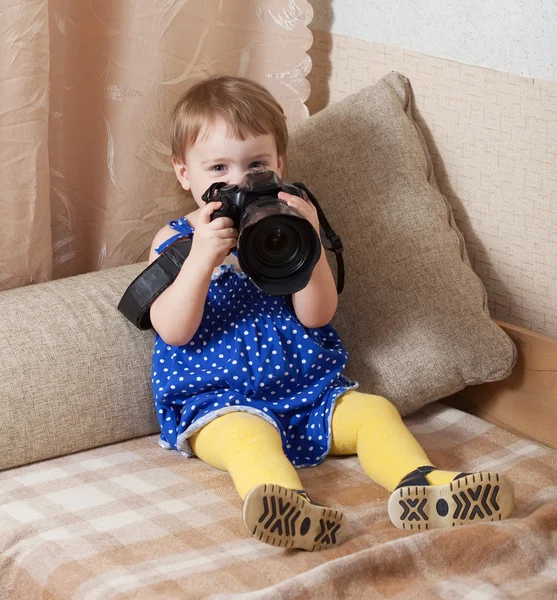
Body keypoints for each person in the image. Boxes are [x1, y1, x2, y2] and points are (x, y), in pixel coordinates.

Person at [148, 76, 514, 551]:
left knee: (375, 411)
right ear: (185, 173)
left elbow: (317, 315)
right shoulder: (174, 240)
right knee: (248, 439)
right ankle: (286, 507)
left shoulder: (283, 228)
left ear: (278, 165)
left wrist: (310, 239)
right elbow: (174, 331)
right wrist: (201, 259)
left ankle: (422, 487)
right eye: (217, 166)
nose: (239, 181)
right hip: (217, 401)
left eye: (255, 164)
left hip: (307, 393)